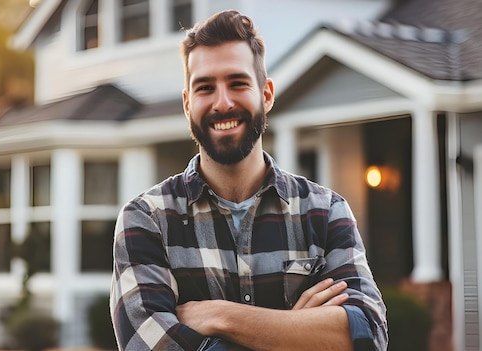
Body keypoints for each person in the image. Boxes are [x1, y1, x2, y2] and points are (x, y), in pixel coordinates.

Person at [110, 9, 387, 351]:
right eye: (205, 87)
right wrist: (297, 331)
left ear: (266, 94)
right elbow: (145, 345)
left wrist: (221, 317)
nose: (222, 103)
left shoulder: (326, 212)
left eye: (237, 83)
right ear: (187, 104)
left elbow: (367, 335)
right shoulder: (147, 219)